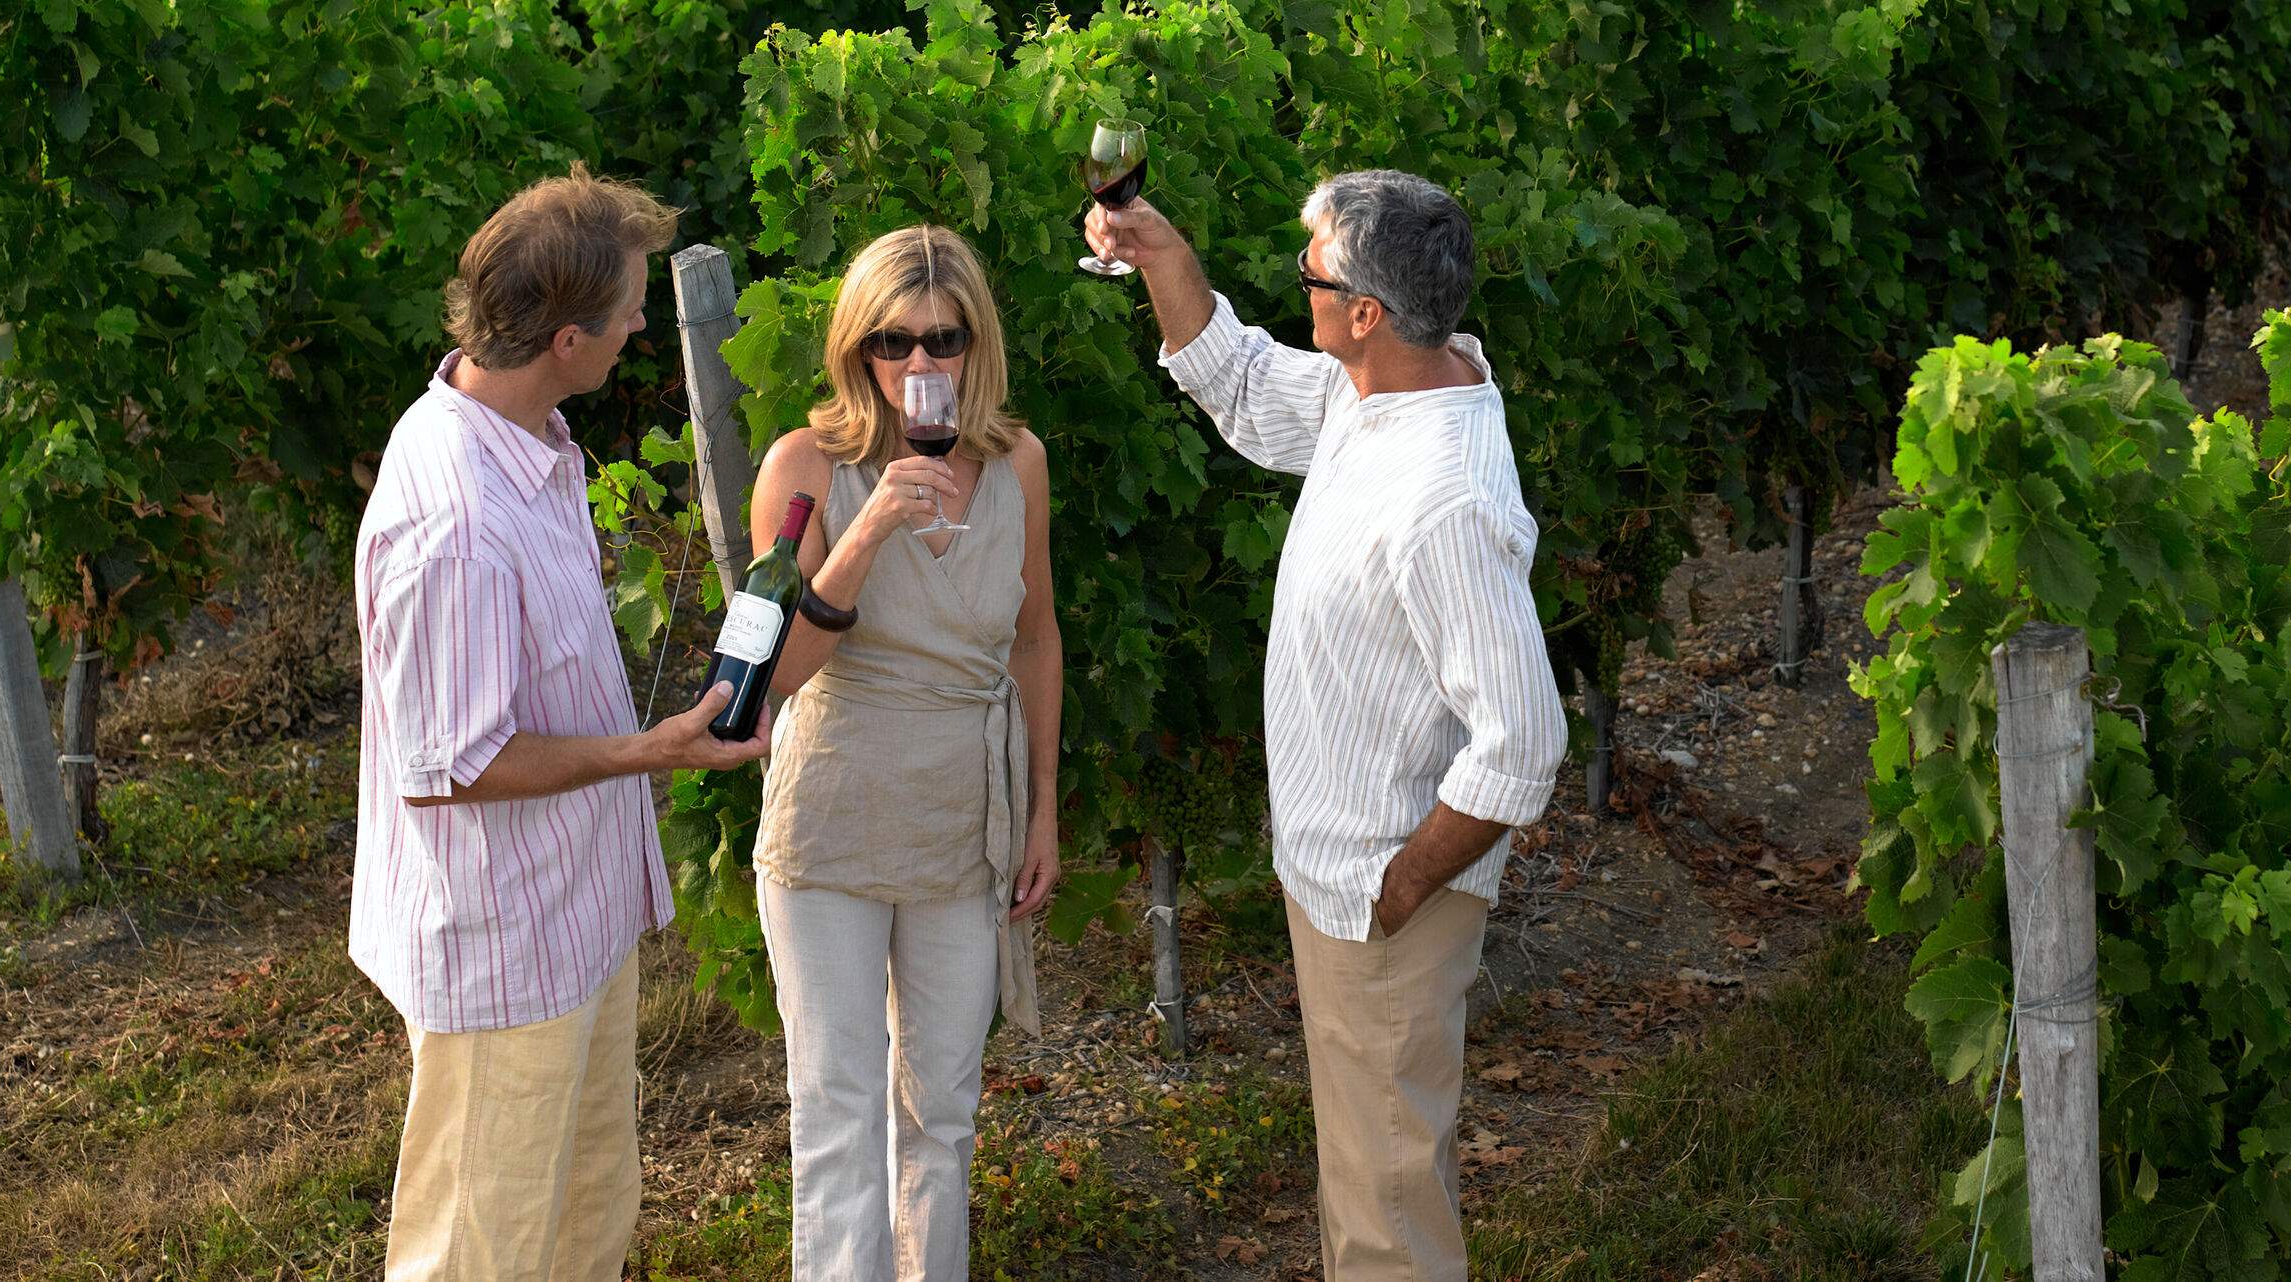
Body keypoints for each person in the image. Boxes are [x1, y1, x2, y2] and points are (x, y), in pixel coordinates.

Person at [1087, 168, 1568, 1282]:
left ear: (1365, 313)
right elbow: (1251, 387)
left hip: (1379, 900)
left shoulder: (1442, 495)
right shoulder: (1382, 391)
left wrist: (1401, 884)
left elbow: (1526, 740)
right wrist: (1164, 258)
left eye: (1311, 271)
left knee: (1386, 1205)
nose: (1295, 283)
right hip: (1343, 880)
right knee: (1367, 1174)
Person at [350, 167, 775, 1282]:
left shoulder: (525, 440)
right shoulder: (458, 520)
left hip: (567, 920)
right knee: (480, 1251)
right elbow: (452, 767)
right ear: (569, 339)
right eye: (631, 308)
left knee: (584, 1217)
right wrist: (655, 749)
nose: (645, 322)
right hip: (504, 951)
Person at [744, 223, 1063, 1282]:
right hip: (833, 816)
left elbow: (1033, 639)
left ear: (978, 344)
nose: (918, 366)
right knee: (839, 1110)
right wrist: (867, 528)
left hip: (962, 817)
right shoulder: (804, 466)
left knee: (945, 1109)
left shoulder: (1020, 465)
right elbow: (771, 677)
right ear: (855, 349)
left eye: (943, 340)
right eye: (892, 342)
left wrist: (1043, 810)